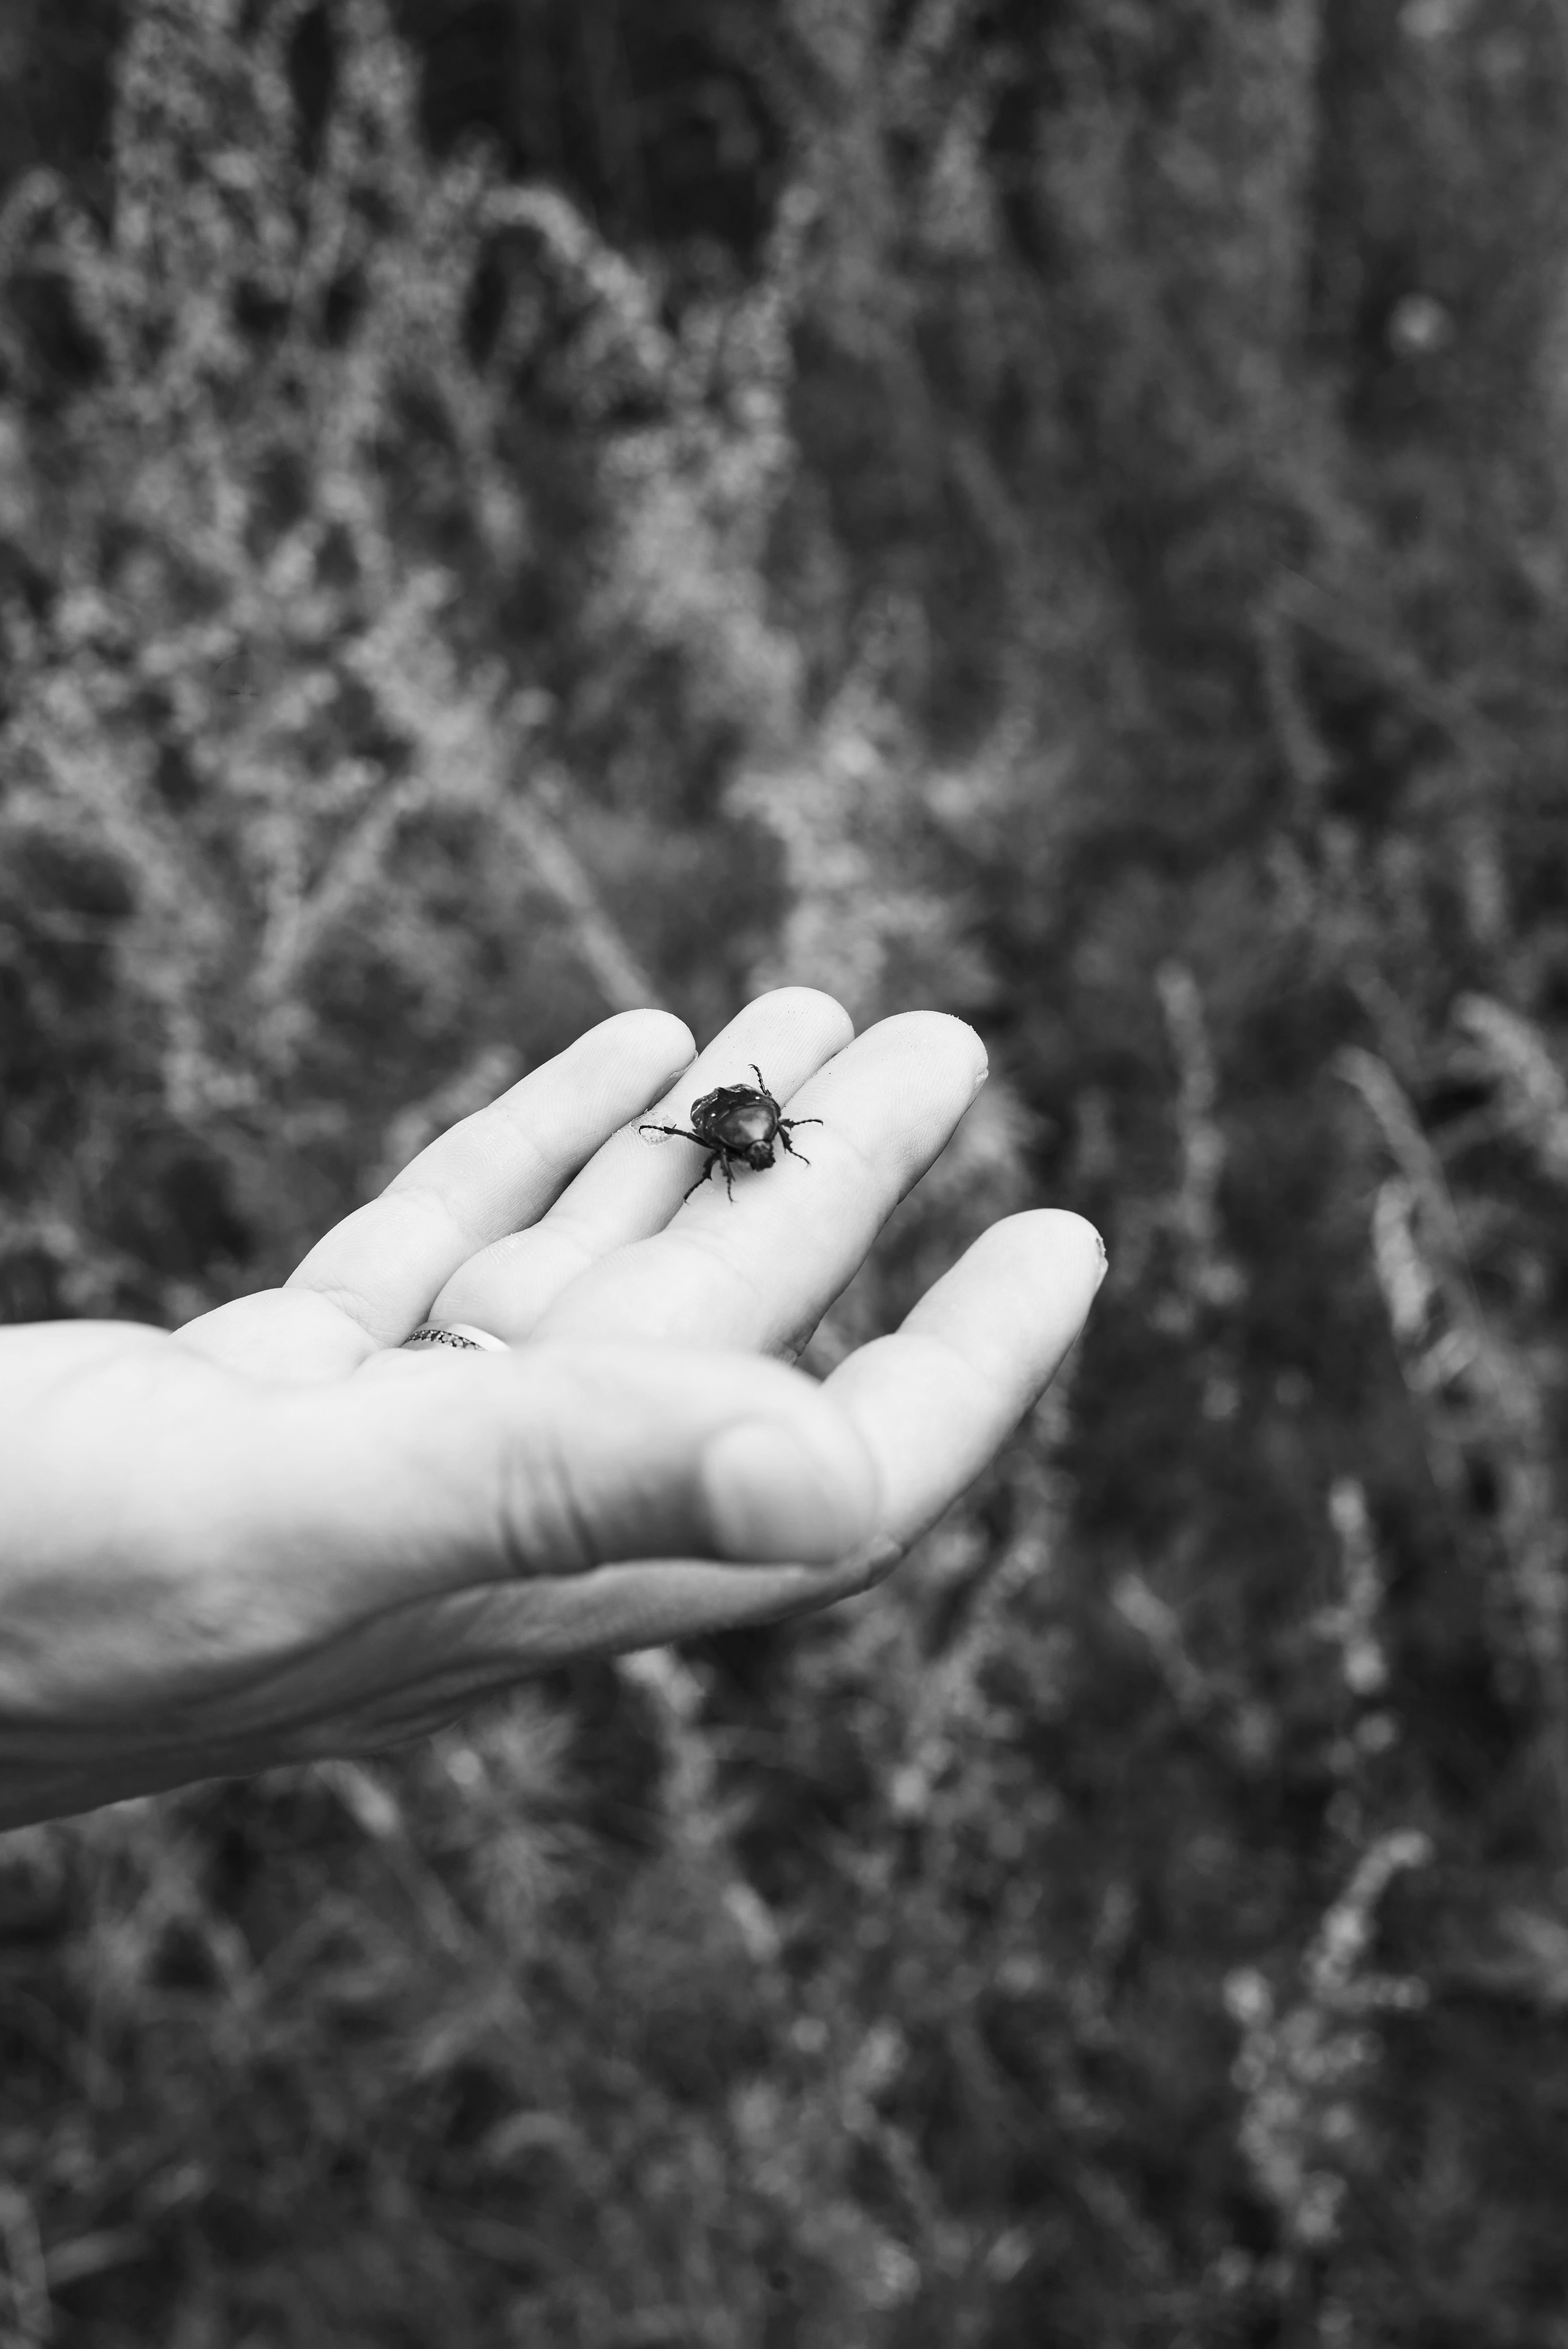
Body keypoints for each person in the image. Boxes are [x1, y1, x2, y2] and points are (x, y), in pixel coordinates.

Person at [0, 989, 1106, 1833]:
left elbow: (742, 1122)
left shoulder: (752, 1129)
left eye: (768, 1143)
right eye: (760, 1145)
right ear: (750, 1137)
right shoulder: (727, 1132)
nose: (763, 1151)